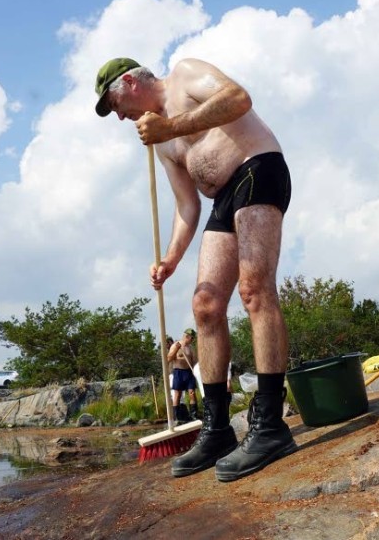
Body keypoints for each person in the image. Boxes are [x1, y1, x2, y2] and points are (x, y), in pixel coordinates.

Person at [96, 57, 296, 482]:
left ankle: (271, 425)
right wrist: (169, 259)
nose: (118, 116)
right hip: (223, 196)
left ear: (129, 81)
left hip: (258, 168)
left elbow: (238, 99)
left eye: (114, 104)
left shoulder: (185, 75)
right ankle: (217, 427)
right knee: (205, 305)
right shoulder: (160, 142)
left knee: (254, 289)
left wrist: (172, 127)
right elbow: (187, 206)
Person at [166, 328, 200, 423]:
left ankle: (194, 415)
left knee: (192, 393)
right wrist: (176, 349)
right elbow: (168, 359)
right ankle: (177, 417)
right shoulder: (175, 345)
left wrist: (195, 370)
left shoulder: (190, 348)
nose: (192, 340)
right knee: (177, 394)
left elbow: (194, 361)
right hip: (178, 372)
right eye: (192, 338)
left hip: (189, 372)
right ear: (187, 336)